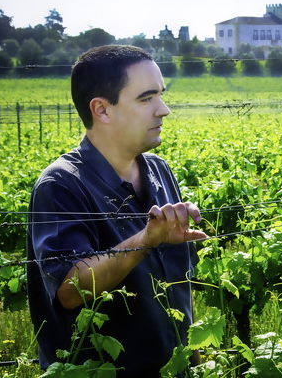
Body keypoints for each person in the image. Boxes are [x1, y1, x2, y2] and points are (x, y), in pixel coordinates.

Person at [26, 45, 206, 377]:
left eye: (161, 96)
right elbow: (69, 290)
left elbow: (181, 288)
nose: (163, 109)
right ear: (102, 110)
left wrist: (194, 362)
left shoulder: (160, 170)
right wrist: (147, 240)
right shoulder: (61, 184)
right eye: (146, 98)